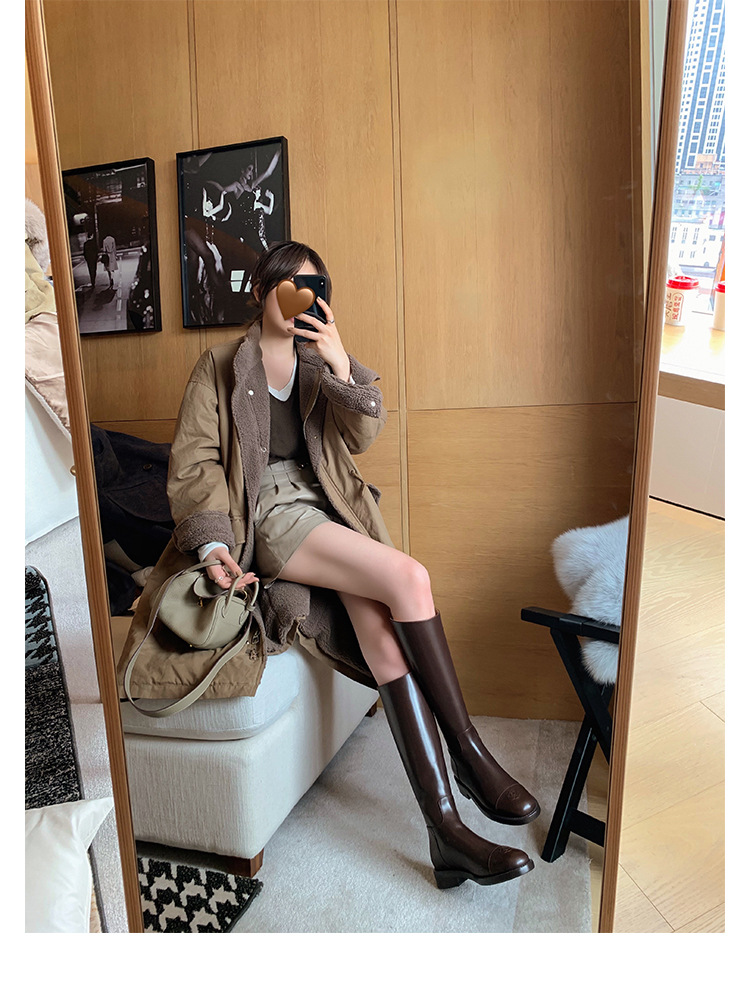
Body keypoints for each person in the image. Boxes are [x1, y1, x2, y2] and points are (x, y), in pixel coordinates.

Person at [119, 240, 540, 890]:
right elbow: (195, 462)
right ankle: (469, 753)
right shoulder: (221, 365)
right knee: (410, 578)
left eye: (313, 288)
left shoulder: (318, 361)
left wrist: (342, 363)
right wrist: (213, 546)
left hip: (328, 508)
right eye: (288, 286)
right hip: (266, 514)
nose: (300, 299)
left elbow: (362, 436)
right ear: (260, 291)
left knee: (382, 634)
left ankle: (445, 832)